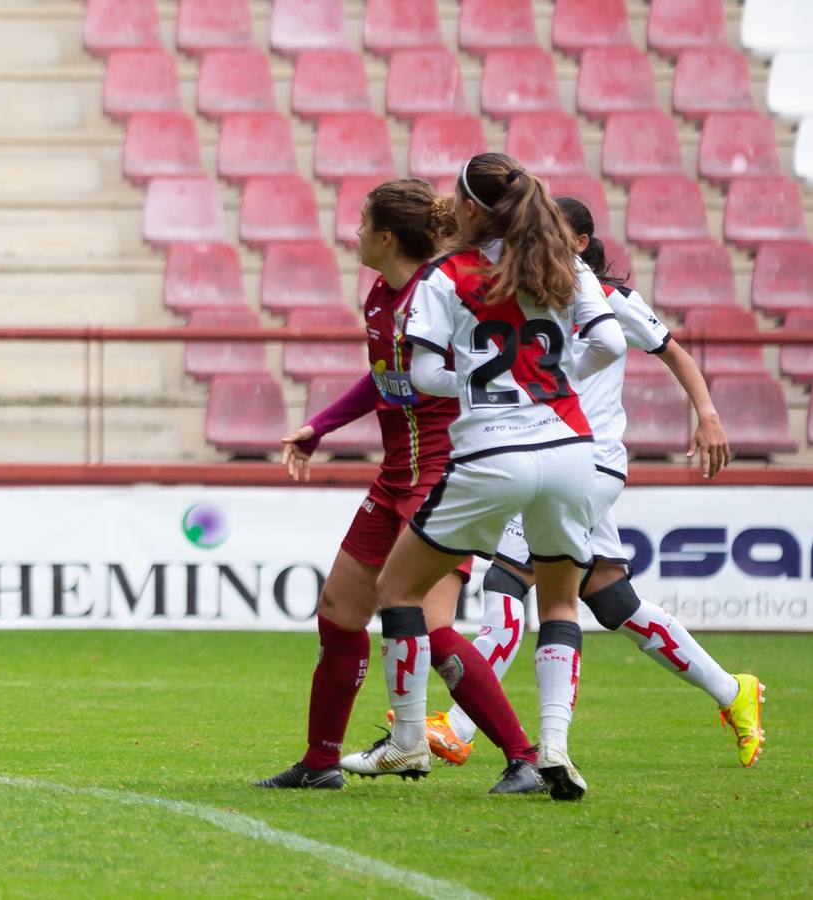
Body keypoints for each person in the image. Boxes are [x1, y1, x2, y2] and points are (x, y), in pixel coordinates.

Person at [432, 198, 765, 767]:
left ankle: (460, 726)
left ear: (580, 243)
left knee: (509, 578)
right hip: (558, 459)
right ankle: (735, 692)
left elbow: (673, 352)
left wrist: (707, 415)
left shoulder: (608, 299)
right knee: (612, 599)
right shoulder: (530, 297)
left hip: (582, 462)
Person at [339, 153, 627, 801]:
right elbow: (608, 343)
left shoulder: (449, 272)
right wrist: (550, 381)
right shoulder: (564, 264)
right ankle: (552, 746)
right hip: (571, 449)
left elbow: (421, 376)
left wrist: (483, 385)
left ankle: (408, 738)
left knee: (396, 588)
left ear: (468, 209)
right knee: (557, 602)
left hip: (491, 452)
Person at [251, 178, 543, 794]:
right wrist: (319, 426)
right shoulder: (381, 298)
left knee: (428, 625)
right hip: (394, 479)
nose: (353, 233)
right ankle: (320, 761)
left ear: (386, 237)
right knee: (339, 611)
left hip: (445, 478)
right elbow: (385, 377)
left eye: (361, 224)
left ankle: (526, 759)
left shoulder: (443, 296)